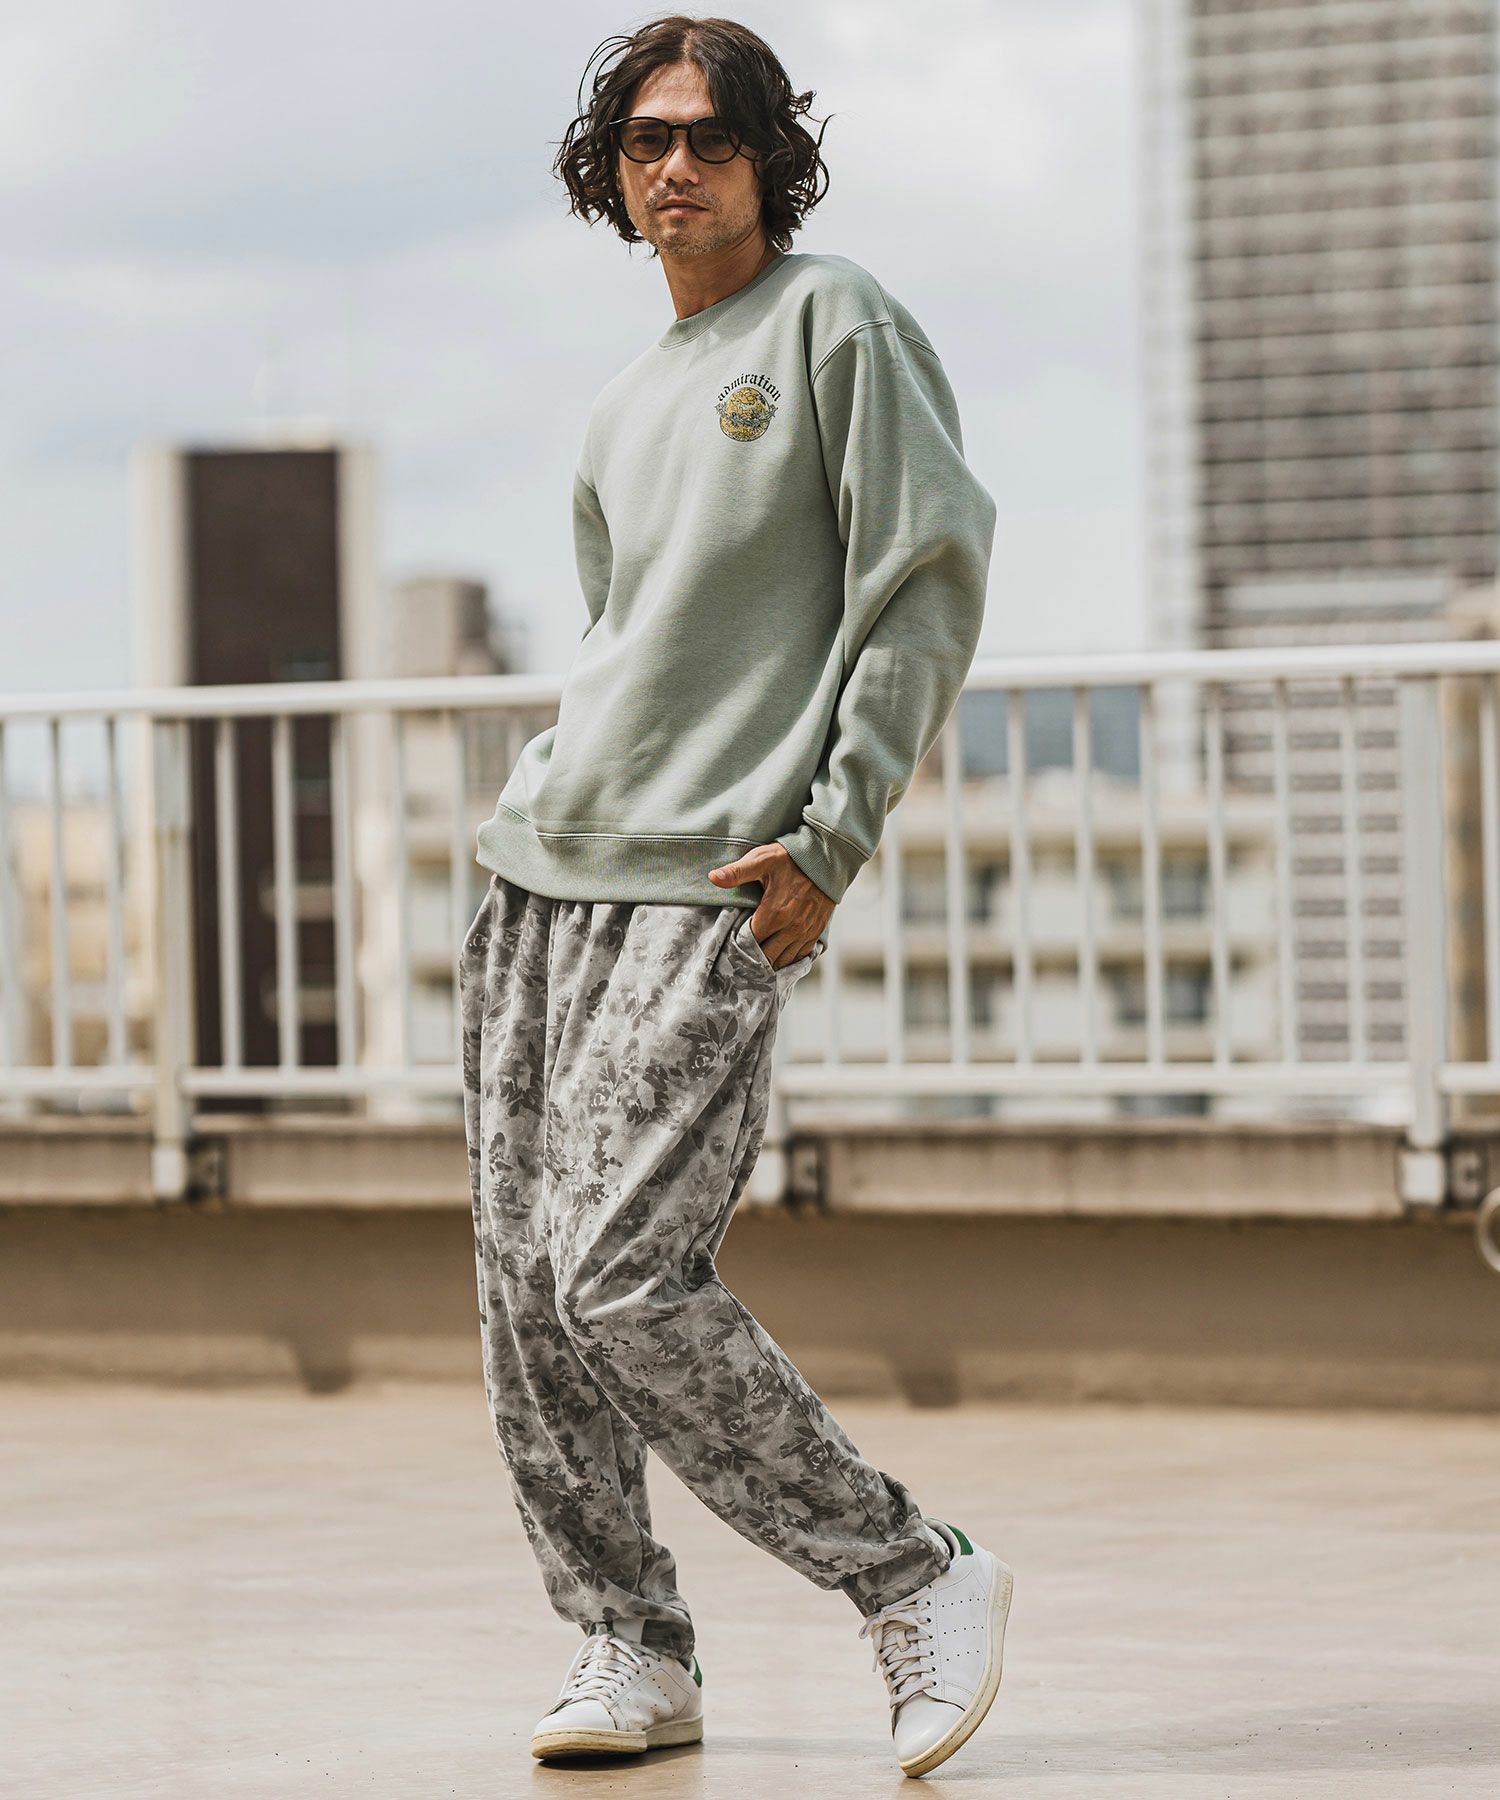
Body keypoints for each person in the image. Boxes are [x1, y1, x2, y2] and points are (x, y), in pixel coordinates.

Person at [458, 12, 1009, 1780]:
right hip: (541, 870)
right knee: (529, 1298)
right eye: (645, 141)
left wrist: (833, 834)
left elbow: (926, 579)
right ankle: (628, 1642)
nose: (676, 165)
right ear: (611, 176)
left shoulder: (837, 322)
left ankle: (912, 1571)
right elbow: (629, 638)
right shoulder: (626, 400)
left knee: (622, 1272)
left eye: (709, 135)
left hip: (710, 877)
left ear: (771, 158)